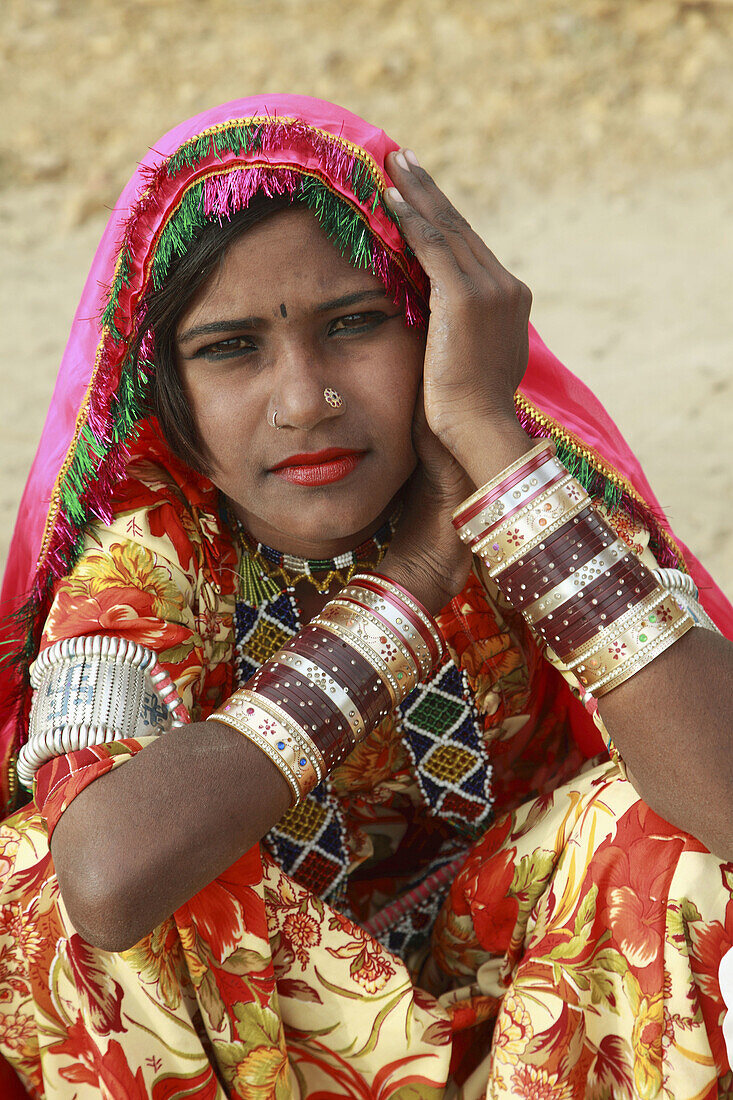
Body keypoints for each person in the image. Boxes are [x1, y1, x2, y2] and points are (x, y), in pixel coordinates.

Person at [1, 94, 732, 1099]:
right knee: (43, 878)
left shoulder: (521, 484)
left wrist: (482, 429)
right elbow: (105, 878)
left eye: (356, 324)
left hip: (541, 1006)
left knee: (660, 831)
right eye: (230, 347)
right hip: (264, 1042)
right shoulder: (149, 548)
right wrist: (412, 583)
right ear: (163, 385)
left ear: (439, 327)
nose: (304, 399)